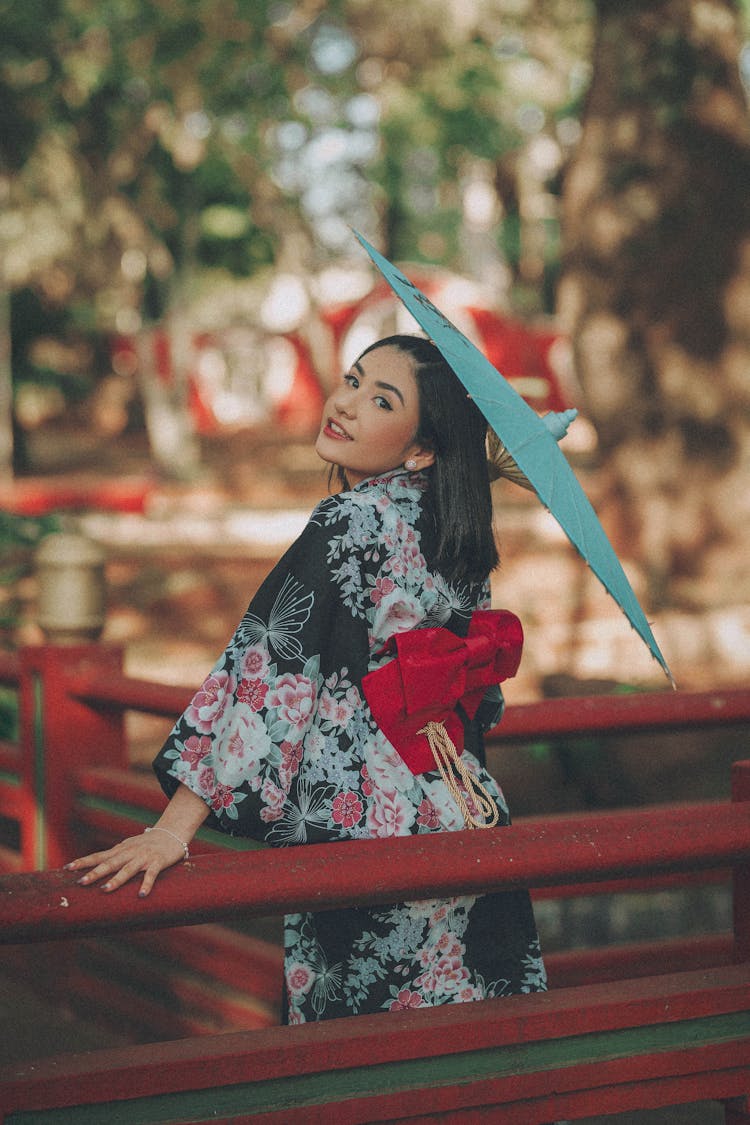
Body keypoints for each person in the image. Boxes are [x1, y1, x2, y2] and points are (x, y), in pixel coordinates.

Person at [66, 334, 546, 1023]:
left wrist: (174, 829)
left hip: (370, 834)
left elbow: (268, 667)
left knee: (363, 1065)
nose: (345, 403)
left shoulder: (348, 519)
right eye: (352, 381)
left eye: (381, 399)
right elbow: (474, 703)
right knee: (468, 1050)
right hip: (467, 818)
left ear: (423, 447)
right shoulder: (458, 530)